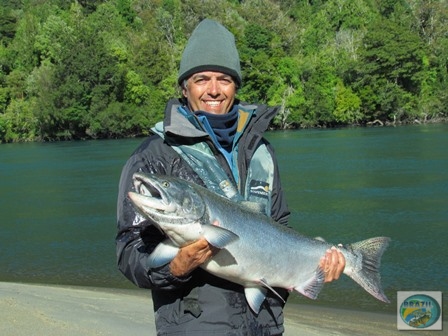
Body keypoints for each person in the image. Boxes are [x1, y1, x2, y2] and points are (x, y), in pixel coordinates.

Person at [116, 19, 345, 335]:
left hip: (266, 325)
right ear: (185, 87)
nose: (213, 89)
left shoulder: (261, 150)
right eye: (201, 79)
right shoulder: (154, 155)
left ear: (235, 86)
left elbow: (280, 228)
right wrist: (175, 268)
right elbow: (129, 250)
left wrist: (314, 265)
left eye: (224, 79)